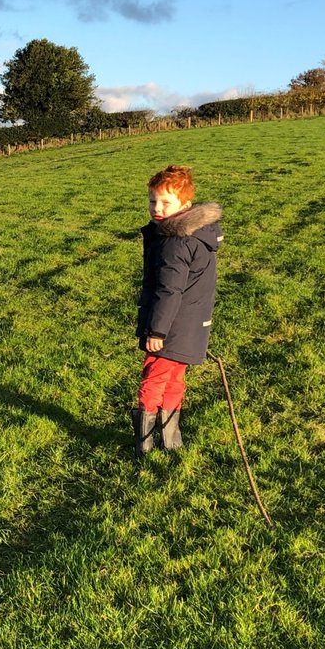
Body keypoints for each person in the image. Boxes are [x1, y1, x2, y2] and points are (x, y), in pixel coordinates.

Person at [132, 164, 223, 456]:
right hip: (189, 326)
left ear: (185, 205)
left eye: (165, 203)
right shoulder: (197, 234)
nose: (156, 208)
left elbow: (168, 290)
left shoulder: (175, 241)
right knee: (173, 381)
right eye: (152, 201)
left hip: (170, 328)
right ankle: (171, 441)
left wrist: (157, 330)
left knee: (153, 379)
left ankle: (144, 446)